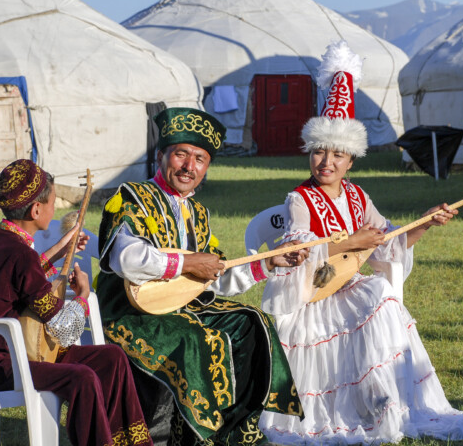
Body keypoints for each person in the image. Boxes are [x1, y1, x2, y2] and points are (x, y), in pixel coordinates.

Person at [257, 40, 463, 445]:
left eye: (336, 155)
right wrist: (350, 240)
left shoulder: (356, 196)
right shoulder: (299, 199)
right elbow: (293, 253)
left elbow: (387, 242)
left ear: (351, 161)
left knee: (380, 292)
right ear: (308, 154)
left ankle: (384, 399)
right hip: (313, 296)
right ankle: (369, 401)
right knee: (379, 295)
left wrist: (427, 224)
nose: (325, 162)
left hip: (351, 287)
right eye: (317, 152)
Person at [95, 107, 308, 446]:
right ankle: (188, 437)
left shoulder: (197, 213)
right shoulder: (131, 196)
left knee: (253, 322)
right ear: (162, 155)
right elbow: (126, 259)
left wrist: (269, 263)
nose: (188, 167)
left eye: (200, 159)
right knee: (193, 340)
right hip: (128, 312)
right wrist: (186, 263)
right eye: (181, 154)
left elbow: (213, 276)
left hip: (180, 305)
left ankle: (238, 431)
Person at [0, 159, 152, 446]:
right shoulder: (20, 255)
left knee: (112, 358)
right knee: (81, 378)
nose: (55, 208)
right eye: (53, 202)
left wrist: (61, 249)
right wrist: (83, 296)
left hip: (10, 355)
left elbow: (22, 281)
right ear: (36, 210)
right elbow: (65, 330)